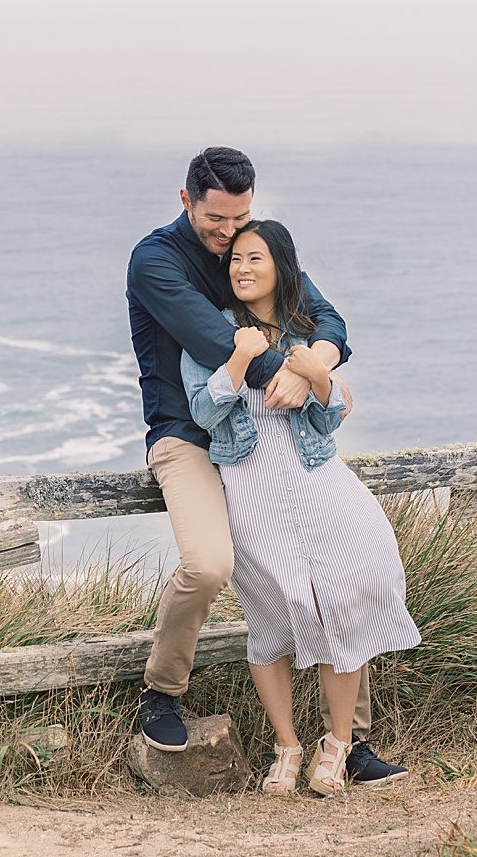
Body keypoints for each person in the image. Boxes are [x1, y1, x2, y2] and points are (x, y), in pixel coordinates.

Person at [125, 146, 408, 786]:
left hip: (272, 435)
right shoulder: (157, 262)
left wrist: (318, 369)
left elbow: (324, 317)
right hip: (191, 435)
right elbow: (218, 342)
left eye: (240, 220)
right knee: (210, 565)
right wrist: (296, 370)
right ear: (186, 202)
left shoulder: (250, 248)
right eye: (216, 223)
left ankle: (349, 743)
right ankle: (161, 691)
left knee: (334, 569)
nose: (228, 238)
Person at [181, 219, 421, 794]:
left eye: (255, 259)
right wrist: (239, 360)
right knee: (270, 619)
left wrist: (317, 375)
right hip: (251, 490)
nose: (241, 268)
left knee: (351, 589)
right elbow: (202, 413)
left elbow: (331, 414)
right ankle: (287, 748)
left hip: (315, 480)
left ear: (281, 267)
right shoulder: (211, 332)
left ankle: (337, 747)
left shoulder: (306, 331)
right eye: (235, 259)